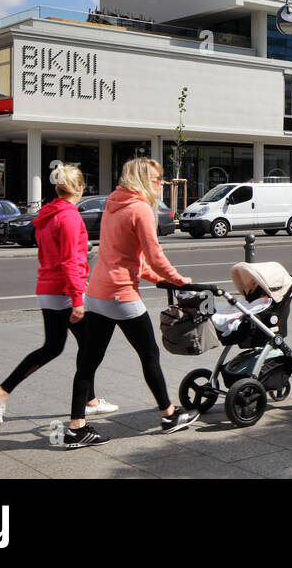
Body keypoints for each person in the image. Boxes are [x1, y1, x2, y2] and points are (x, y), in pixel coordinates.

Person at [63, 158, 197, 448]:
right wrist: (176, 279)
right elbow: (153, 253)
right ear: (142, 179)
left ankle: (76, 428)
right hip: (121, 295)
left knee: (88, 361)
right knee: (149, 355)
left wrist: (155, 278)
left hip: (97, 292)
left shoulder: (113, 203)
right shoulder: (140, 209)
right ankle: (169, 415)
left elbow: (126, 254)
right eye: (157, 178)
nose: (161, 183)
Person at [0, 164, 116, 424]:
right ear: (79, 188)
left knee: (54, 347)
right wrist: (77, 299)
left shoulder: (48, 215)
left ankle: (3, 391)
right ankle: (83, 407)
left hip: (48, 288)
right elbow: (69, 261)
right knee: (90, 347)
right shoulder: (69, 217)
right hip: (65, 291)